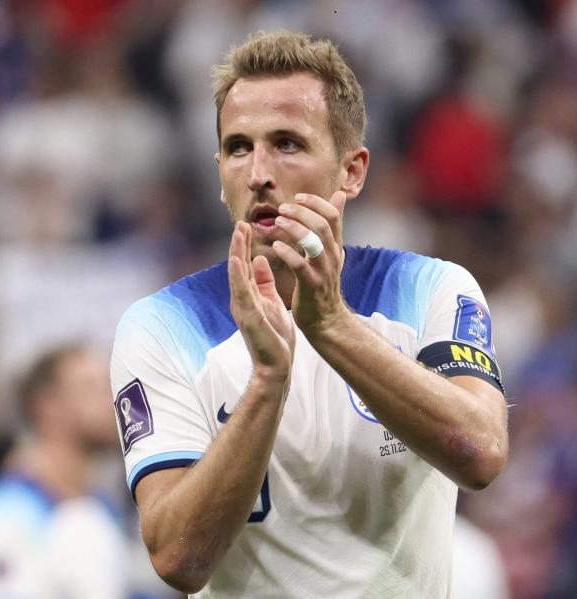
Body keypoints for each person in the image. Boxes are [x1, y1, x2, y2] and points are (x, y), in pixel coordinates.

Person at [110, 30, 509, 597]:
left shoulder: (429, 288)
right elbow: (177, 558)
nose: (258, 173)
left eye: (287, 144)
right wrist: (268, 383)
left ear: (352, 171)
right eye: (240, 147)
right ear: (220, 171)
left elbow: (482, 454)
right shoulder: (162, 326)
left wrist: (333, 327)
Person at [0, 344, 127, 599]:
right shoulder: (3, 514)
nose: (112, 399)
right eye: (92, 387)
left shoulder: (102, 505)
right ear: (49, 408)